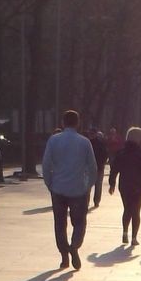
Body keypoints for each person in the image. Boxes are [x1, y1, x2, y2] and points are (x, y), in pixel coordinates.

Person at [42, 108, 98, 270]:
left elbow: (46, 164)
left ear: (63, 122)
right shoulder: (84, 142)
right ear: (78, 123)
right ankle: (74, 245)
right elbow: (93, 167)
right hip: (78, 189)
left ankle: (64, 255)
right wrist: (89, 185)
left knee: (60, 224)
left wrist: (49, 183)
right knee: (79, 222)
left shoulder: (54, 140)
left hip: (58, 188)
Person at [111, 127, 141, 250]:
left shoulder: (121, 153)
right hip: (138, 186)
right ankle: (134, 238)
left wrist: (112, 183)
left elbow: (114, 169)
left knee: (127, 209)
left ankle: (125, 232)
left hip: (124, 184)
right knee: (136, 211)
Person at [86, 124, 110, 209]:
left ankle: (95, 201)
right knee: (90, 186)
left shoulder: (97, 144)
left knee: (95, 186)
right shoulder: (88, 143)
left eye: (92, 133)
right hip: (93, 168)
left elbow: (105, 154)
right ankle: (90, 201)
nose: (91, 135)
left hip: (97, 167)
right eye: (90, 133)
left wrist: (101, 163)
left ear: (95, 134)